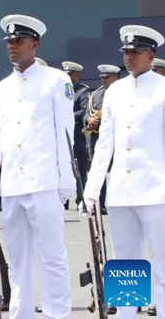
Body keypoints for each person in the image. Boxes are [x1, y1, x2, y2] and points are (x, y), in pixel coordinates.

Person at [0, 14, 75, 319]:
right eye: (10, 42)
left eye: (19, 41)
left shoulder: (56, 80)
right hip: (14, 185)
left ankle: (58, 314)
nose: (13, 47)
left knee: (51, 256)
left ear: (35, 44)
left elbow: (65, 132)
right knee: (18, 260)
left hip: (45, 181)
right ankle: (21, 313)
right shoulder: (2, 89)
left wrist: (66, 178)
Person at [83, 25, 165, 319]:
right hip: (120, 190)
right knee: (125, 265)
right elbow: (105, 144)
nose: (129, 57)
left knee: (162, 263)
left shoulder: (163, 89)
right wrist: (92, 191)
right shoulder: (115, 91)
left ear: (151, 55)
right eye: (126, 52)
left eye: (135, 52)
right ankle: (127, 314)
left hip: (156, 189)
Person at [83, 64, 120, 214]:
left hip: (116, 137)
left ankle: (115, 201)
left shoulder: (122, 92)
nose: (103, 80)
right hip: (97, 136)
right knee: (99, 169)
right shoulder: (96, 94)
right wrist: (89, 119)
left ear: (115, 77)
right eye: (102, 77)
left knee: (117, 170)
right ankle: (100, 204)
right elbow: (87, 111)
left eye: (107, 77)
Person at [62, 61, 91, 208]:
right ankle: (63, 201)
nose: (66, 76)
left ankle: (81, 198)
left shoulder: (82, 91)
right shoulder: (60, 89)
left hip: (76, 136)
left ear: (76, 75)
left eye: (69, 74)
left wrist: (67, 116)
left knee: (79, 168)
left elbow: (84, 110)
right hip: (62, 135)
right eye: (65, 73)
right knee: (63, 167)